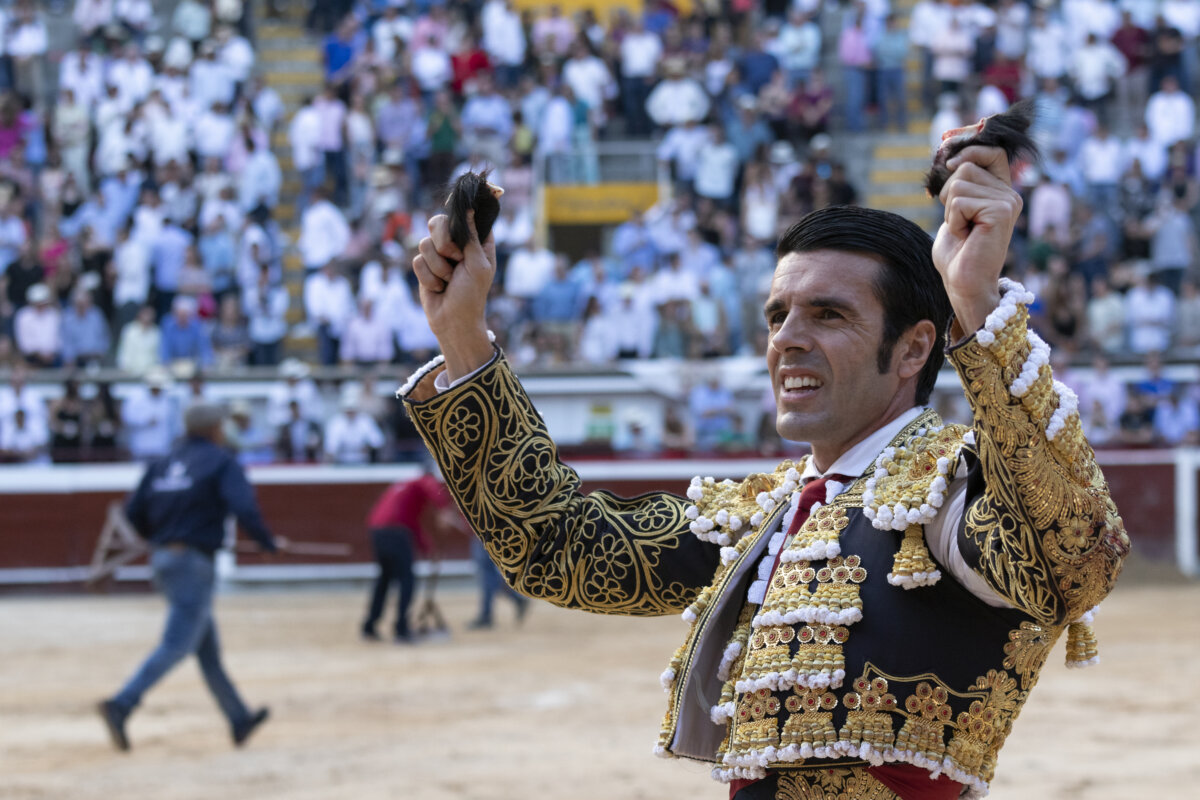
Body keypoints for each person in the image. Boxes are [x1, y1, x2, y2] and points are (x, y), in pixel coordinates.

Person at [402, 139, 1129, 798]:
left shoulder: (944, 490)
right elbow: (560, 549)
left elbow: (1072, 555)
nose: (788, 340)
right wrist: (465, 337)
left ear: (913, 350)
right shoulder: (769, 515)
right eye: (777, 315)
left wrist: (975, 303)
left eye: (828, 315)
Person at [98, 403, 277, 752]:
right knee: (177, 643)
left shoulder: (163, 461)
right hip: (193, 563)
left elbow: (134, 511)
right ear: (214, 430)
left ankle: (238, 718)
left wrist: (165, 537)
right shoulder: (221, 461)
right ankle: (122, 703)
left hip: (164, 559)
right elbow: (244, 507)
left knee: (205, 649)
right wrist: (268, 543)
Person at [360, 466, 460, 643]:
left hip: (377, 530)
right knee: (407, 580)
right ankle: (401, 630)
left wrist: (427, 548)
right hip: (395, 532)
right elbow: (429, 486)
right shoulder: (421, 480)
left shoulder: (404, 485)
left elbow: (411, 523)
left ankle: (369, 627)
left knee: (384, 579)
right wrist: (444, 509)